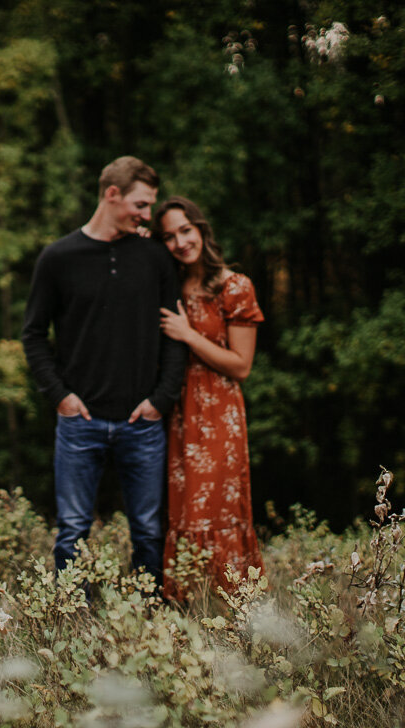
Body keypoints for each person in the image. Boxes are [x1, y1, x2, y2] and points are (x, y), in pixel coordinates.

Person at [21, 156, 187, 586]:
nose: (147, 215)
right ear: (112, 194)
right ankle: (70, 621)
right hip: (81, 421)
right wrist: (61, 397)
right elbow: (34, 334)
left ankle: (148, 621)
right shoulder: (58, 258)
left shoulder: (154, 257)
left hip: (143, 421)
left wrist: (160, 400)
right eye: (141, 204)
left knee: (149, 532)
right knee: (73, 529)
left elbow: (175, 334)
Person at [153, 196, 265, 599]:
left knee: (216, 509)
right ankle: (188, 609)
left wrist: (187, 334)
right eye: (169, 236)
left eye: (186, 230)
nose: (180, 241)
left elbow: (241, 365)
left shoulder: (234, 286)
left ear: (201, 229)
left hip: (219, 412)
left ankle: (233, 607)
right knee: (184, 509)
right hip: (180, 413)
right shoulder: (171, 288)